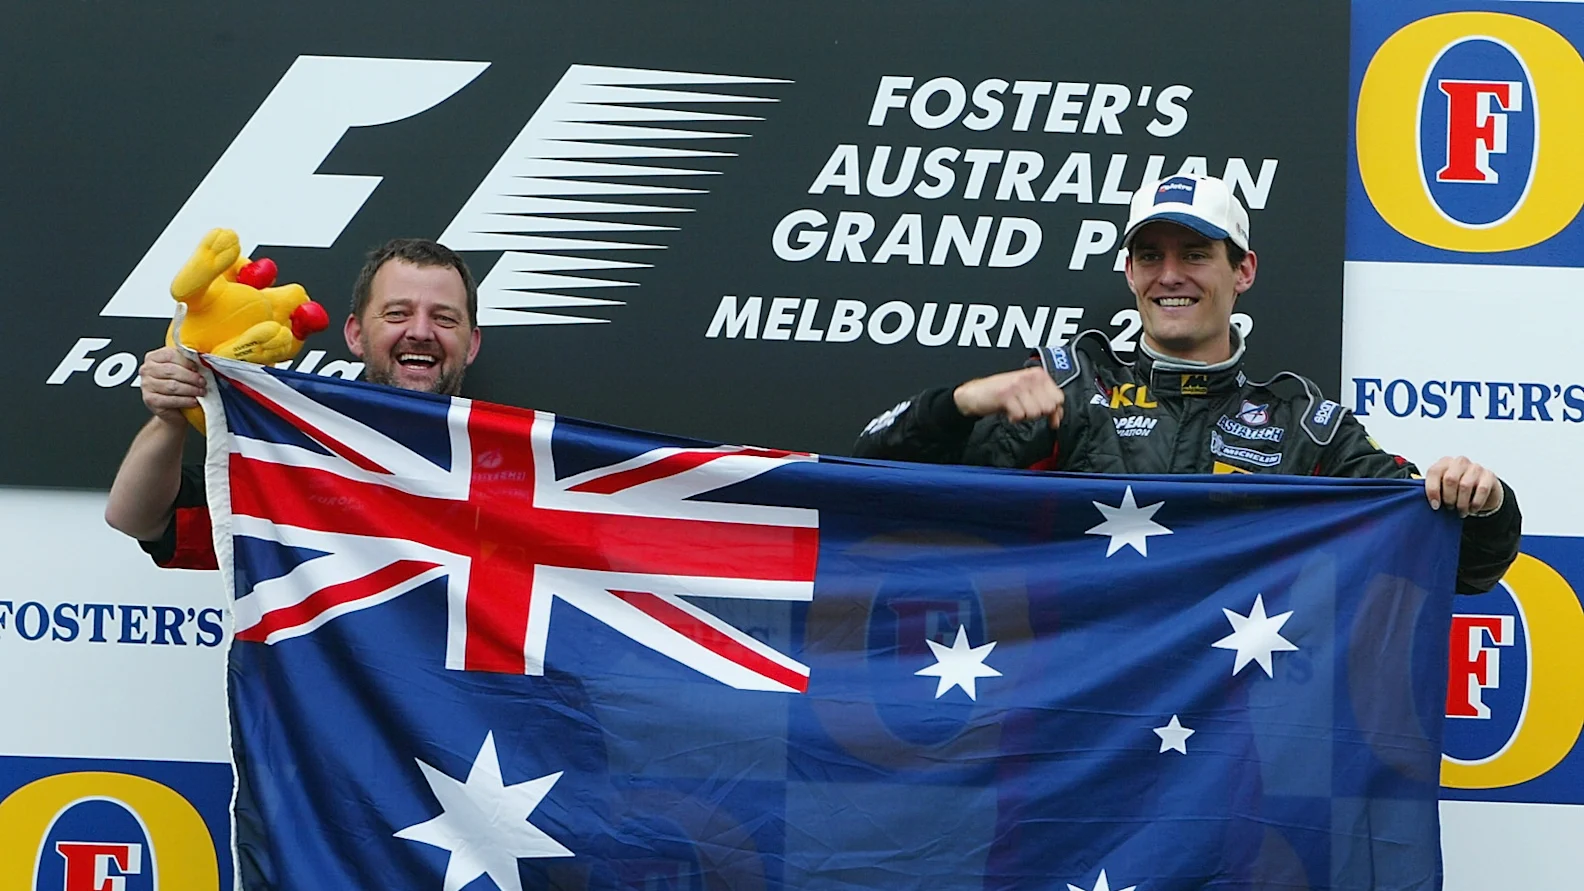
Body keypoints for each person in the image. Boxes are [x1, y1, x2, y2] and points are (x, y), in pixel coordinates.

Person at [853, 174, 1520, 594]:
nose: (1169, 275)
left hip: (1221, 744)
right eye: (1150, 256)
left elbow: (1461, 568)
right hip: (1066, 729)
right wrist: (960, 404)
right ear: (1129, 273)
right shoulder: (1068, 393)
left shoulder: (1303, 428)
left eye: (1195, 254)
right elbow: (873, 483)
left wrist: (1482, 502)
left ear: (1244, 271)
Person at [104, 238, 482, 568]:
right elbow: (138, 519)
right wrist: (171, 417)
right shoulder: (298, 455)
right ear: (356, 334)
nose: (420, 331)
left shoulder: (510, 472)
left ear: (472, 344)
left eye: (444, 318)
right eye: (397, 313)